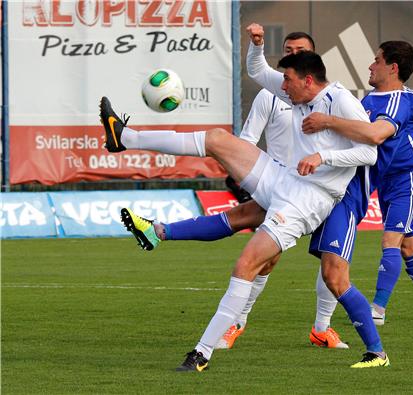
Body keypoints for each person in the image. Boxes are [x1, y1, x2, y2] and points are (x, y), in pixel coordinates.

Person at [100, 23, 387, 371]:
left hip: (308, 200)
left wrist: (323, 157)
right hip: (284, 178)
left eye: (288, 81)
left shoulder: (340, 100)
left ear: (308, 80)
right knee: (217, 140)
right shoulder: (293, 93)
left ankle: (202, 352)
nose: (282, 87)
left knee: (249, 264)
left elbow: (370, 153)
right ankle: (125, 137)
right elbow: (257, 71)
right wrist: (258, 44)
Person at [302, 41, 413, 325]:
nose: (370, 66)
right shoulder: (367, 101)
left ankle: (377, 309)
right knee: (409, 248)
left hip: (409, 181)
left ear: (392, 67)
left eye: (376, 61)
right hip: (383, 182)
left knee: (390, 241)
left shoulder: (408, 101)